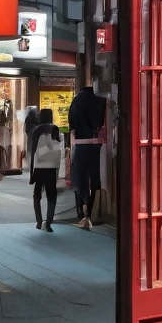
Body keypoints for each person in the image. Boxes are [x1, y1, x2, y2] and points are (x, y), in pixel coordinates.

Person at [68, 85, 106, 229]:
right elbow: (101, 123)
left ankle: (80, 213)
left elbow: (72, 123)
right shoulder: (99, 101)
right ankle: (91, 213)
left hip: (80, 144)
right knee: (94, 178)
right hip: (96, 145)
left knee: (80, 178)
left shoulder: (77, 101)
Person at [30, 107, 62, 232]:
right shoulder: (55, 129)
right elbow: (59, 149)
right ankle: (48, 222)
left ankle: (39, 221)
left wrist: (31, 171)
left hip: (39, 167)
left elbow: (33, 151)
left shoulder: (37, 130)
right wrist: (58, 168)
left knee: (37, 194)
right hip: (52, 167)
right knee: (52, 195)